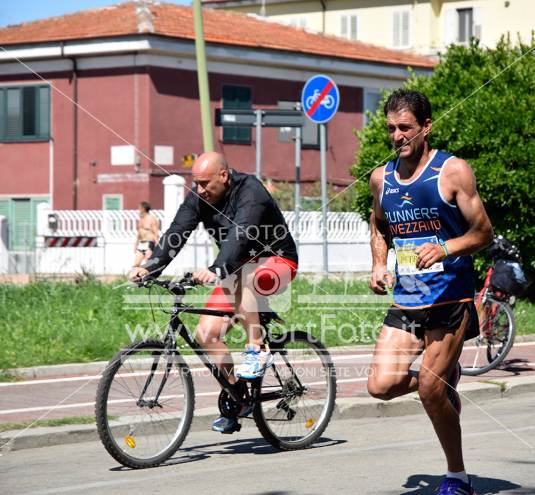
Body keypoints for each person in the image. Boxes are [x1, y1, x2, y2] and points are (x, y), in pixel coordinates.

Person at [367, 89, 493, 495]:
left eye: (405, 127)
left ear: (426, 127)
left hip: (450, 298)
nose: (397, 135)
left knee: (427, 389)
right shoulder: (380, 178)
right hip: (407, 298)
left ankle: (457, 476)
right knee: (380, 387)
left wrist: (445, 247)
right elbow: (378, 225)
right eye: (391, 128)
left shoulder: (451, 171)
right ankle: (443, 381)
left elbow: (483, 233)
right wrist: (378, 263)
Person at [129, 152, 298, 433]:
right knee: (206, 334)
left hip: (277, 261)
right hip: (236, 272)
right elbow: (176, 232)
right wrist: (150, 268)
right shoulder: (200, 198)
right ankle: (238, 398)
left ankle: (256, 347)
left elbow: (241, 234)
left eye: (205, 183)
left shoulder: (250, 191)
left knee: (244, 275)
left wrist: (217, 267)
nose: (200, 189)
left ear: (224, 175)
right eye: (196, 183)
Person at [133, 201, 159, 268]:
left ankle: (150, 277)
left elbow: (155, 232)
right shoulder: (141, 219)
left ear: (143, 209)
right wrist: (136, 244)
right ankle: (138, 277)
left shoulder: (151, 219)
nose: (138, 209)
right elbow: (139, 232)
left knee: (148, 263)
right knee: (136, 264)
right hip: (141, 243)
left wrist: (157, 245)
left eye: (139, 207)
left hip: (149, 242)